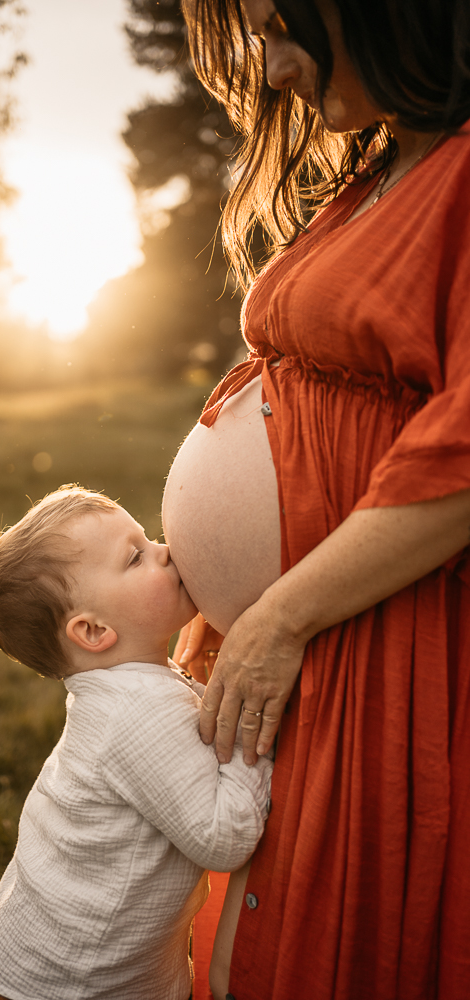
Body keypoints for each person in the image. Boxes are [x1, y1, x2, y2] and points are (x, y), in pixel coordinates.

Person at [161, 2, 470, 998]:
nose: (272, 65)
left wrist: (283, 611)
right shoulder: (383, 163)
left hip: (387, 632)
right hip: (316, 631)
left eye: (282, 26)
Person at [0, 487, 273, 1000]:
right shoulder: (134, 712)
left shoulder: (125, 690)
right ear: (93, 630)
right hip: (69, 985)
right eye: (137, 556)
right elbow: (224, 837)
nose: (166, 550)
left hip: (36, 967)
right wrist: (255, 721)